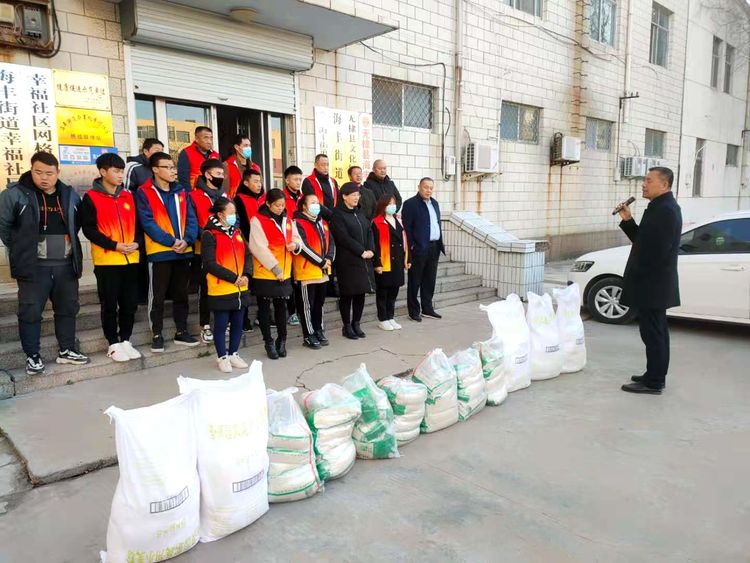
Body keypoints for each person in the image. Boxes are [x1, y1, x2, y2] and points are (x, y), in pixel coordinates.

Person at [0, 152, 89, 375]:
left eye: (49, 173)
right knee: (30, 311)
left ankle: (67, 350)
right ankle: (32, 356)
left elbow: (75, 224)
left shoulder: (69, 194)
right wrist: (22, 249)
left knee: (68, 308)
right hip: (33, 266)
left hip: (65, 264)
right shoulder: (14, 194)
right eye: (38, 172)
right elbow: (4, 227)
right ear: (31, 170)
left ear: (58, 172)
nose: (44, 177)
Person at [618, 167, 682, 395]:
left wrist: (638, 276)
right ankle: (653, 374)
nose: (643, 184)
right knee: (654, 333)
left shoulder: (665, 211)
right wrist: (628, 220)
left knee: (654, 334)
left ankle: (654, 382)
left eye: (648, 180)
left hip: (653, 285)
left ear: (664, 185)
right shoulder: (658, 207)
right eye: (644, 180)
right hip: (652, 284)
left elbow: (656, 253)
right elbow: (642, 241)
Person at [80, 153, 142, 363]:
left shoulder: (128, 196)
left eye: (121, 171)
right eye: (116, 171)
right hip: (107, 260)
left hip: (131, 258)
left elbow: (139, 225)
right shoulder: (91, 197)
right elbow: (89, 230)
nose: (120, 175)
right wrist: (114, 245)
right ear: (103, 172)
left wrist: (137, 243)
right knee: (109, 304)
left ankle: (126, 340)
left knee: (129, 303)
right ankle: (113, 343)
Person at [136, 152, 200, 352]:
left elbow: (192, 219)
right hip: (160, 252)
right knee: (158, 296)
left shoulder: (181, 192)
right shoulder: (144, 192)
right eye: (168, 167)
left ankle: (182, 331)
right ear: (155, 169)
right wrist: (171, 241)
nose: (173, 171)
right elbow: (147, 223)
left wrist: (187, 240)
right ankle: (157, 334)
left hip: (183, 251)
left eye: (174, 167)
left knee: (181, 294)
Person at [247, 188, 301, 360]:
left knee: (281, 307)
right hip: (266, 272)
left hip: (285, 272)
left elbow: (297, 238)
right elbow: (258, 247)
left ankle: (282, 340)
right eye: (277, 205)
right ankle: (268, 342)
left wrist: (295, 245)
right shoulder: (258, 220)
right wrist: (275, 268)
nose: (280, 208)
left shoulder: (287, 220)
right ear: (268, 204)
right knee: (264, 308)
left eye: (283, 205)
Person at [200, 198, 252, 373]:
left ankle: (233, 353)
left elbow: (247, 255)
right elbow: (209, 263)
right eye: (231, 213)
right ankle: (222, 356)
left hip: (240, 287)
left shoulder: (237, 231)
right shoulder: (209, 234)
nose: (234, 216)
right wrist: (233, 278)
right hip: (221, 287)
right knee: (221, 324)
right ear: (220, 214)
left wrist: (246, 275)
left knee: (238, 322)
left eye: (235, 213)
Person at [189, 158, 227, 344]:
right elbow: (192, 222)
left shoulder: (225, 196)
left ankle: (224, 323)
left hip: (225, 251)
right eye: (218, 173)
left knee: (224, 286)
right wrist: (207, 239)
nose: (221, 177)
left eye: (222, 174)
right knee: (204, 289)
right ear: (207, 174)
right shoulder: (194, 196)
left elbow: (234, 219)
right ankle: (205, 325)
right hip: (202, 250)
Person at [263, 165, 305, 327]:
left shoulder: (302, 197)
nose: (298, 182)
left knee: (296, 280)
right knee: (286, 281)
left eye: (300, 179)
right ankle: (290, 312)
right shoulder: (280, 198)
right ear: (287, 180)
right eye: (295, 179)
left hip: (297, 242)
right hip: (281, 247)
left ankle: (297, 311)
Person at [331, 182, 374, 339]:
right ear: (344, 196)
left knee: (360, 294)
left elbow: (369, 231)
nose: (357, 197)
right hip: (347, 261)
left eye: (358, 195)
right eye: (353, 195)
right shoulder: (338, 215)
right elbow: (343, 237)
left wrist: (371, 250)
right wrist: (361, 251)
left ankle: (357, 323)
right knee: (347, 294)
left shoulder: (359, 212)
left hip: (363, 260)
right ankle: (347, 326)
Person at [293, 193, 335, 349]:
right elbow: (303, 247)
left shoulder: (322, 222)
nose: (316, 205)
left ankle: (319, 330)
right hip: (307, 272)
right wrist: (321, 262)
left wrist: (329, 258)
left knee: (319, 303)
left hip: (323, 271)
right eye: (312, 202)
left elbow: (331, 243)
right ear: (304, 206)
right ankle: (309, 334)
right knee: (307, 306)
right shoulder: (297, 223)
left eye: (317, 202)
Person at [401, 177, 445, 322]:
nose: (428, 190)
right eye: (426, 187)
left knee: (430, 280)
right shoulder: (410, 204)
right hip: (419, 248)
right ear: (419, 187)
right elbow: (407, 228)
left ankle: (427, 308)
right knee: (415, 281)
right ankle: (413, 311)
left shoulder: (435, 203)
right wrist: (412, 246)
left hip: (434, 247)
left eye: (431, 188)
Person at [371, 194, 410, 331]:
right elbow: (374, 244)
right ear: (383, 205)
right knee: (383, 292)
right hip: (384, 262)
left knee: (394, 291)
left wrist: (408, 259)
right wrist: (377, 263)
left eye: (394, 203)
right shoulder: (376, 222)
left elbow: (405, 241)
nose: (392, 206)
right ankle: (383, 319)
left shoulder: (399, 220)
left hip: (398, 261)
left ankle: (390, 317)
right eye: (389, 204)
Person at [177, 126, 219, 191]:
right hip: (195, 193)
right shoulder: (186, 153)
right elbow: (183, 180)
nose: (209, 141)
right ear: (197, 139)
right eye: (206, 138)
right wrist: (189, 195)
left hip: (214, 194)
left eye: (211, 138)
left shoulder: (215, 155)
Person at [302, 154, 339, 221]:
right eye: (323, 165)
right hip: (317, 219)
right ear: (315, 165)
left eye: (327, 165)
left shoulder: (333, 181)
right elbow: (312, 203)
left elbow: (338, 200)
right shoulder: (308, 181)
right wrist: (330, 215)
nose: (326, 167)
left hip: (334, 219)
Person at [224, 134, 261, 199]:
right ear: (236, 147)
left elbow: (260, 190)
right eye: (245, 145)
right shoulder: (227, 166)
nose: (249, 148)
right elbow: (224, 192)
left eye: (249, 146)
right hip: (235, 203)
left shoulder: (255, 167)